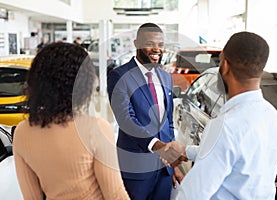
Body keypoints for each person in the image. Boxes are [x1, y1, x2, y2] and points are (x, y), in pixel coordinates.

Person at [164, 31, 277, 199]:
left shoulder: (225, 126)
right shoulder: (272, 116)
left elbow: (192, 194)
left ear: (225, 66)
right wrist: (185, 151)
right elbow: (238, 157)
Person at [13, 42, 129, 200]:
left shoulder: (22, 132)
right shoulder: (95, 128)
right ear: (83, 83)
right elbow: (115, 195)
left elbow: (32, 197)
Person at [107, 22, 185, 200]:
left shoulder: (166, 77)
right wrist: (159, 147)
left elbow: (168, 122)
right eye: (150, 43)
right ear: (136, 44)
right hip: (136, 168)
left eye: (160, 45)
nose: (156, 49)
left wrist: (173, 164)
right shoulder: (119, 76)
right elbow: (126, 120)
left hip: (164, 169)